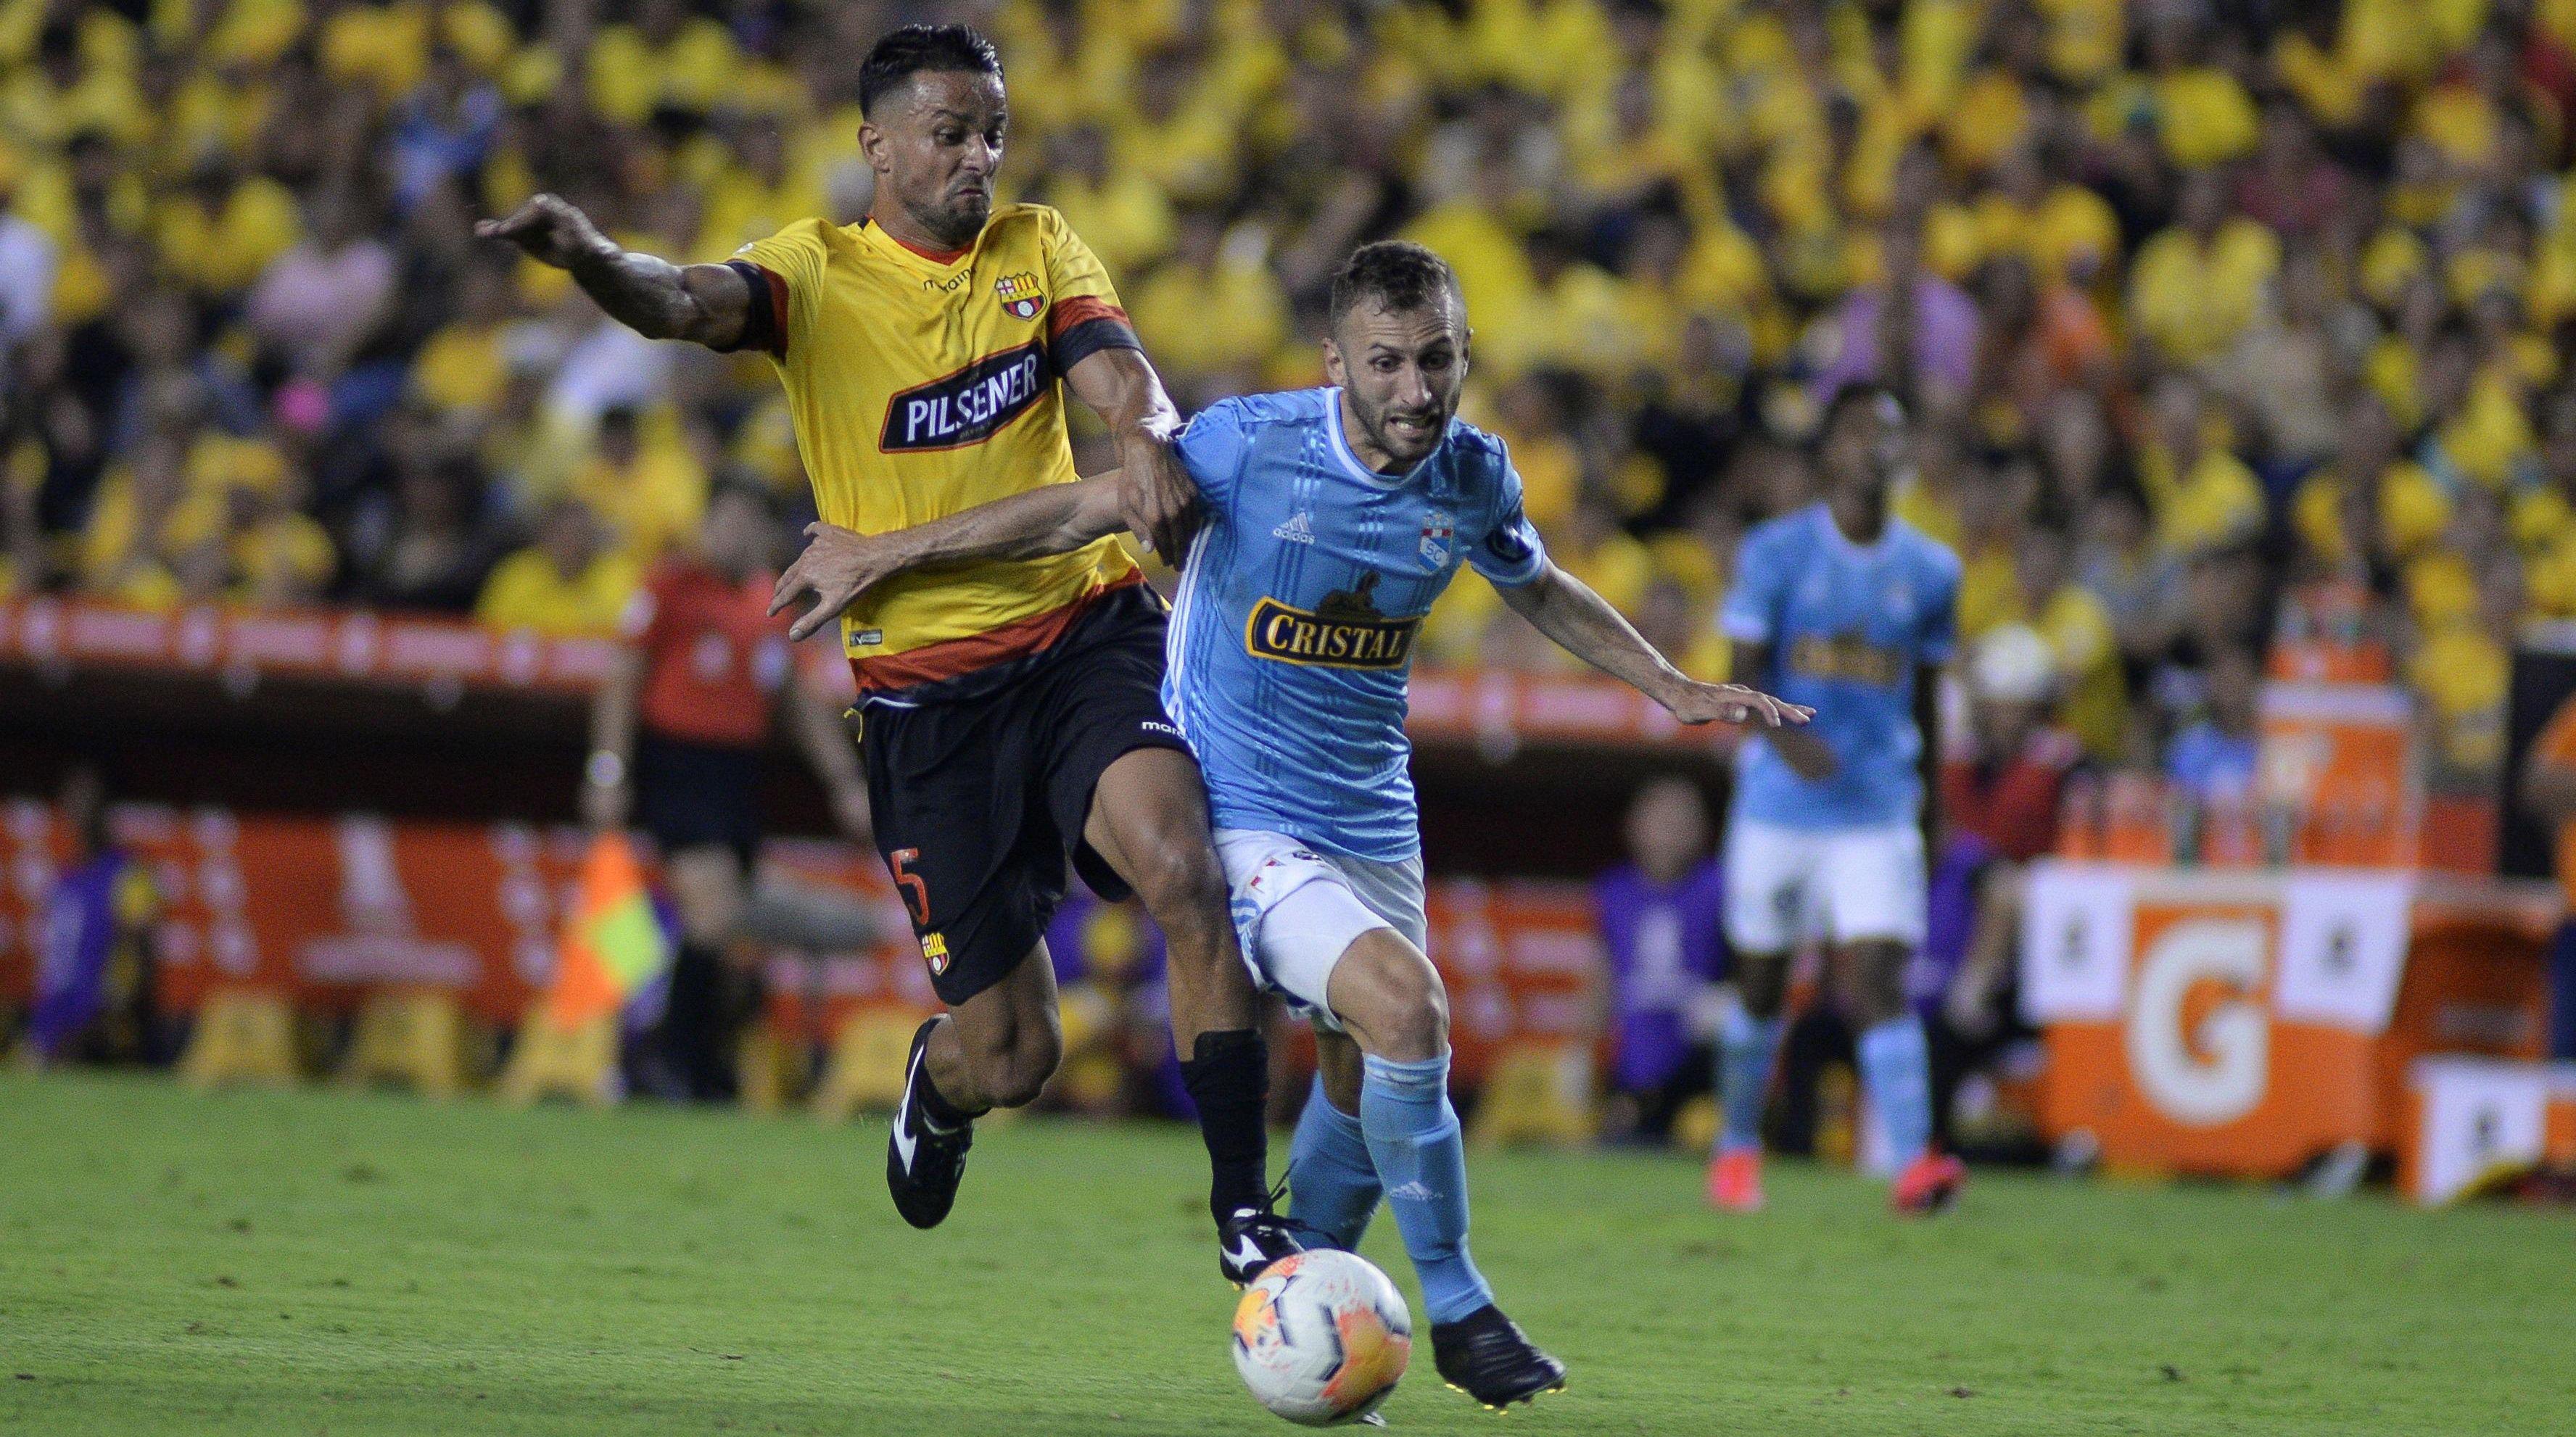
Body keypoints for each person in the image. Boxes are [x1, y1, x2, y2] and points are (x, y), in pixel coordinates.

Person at [767, 240, 1808, 1409]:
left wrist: (1668, 684)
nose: (1416, 389)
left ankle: (1296, 1309)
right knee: (1408, 1009)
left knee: (1369, 1086)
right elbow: (1069, 513)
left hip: (1373, 817)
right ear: (1335, 365)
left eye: (1437, 360)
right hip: (1247, 820)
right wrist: (882, 554)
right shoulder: (1247, 447)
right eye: (1387, 363)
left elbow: (1538, 584)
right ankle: (1459, 1309)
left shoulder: (1469, 474)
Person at [476, 23, 1289, 1280]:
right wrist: (589, 259)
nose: (980, 158)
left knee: (1184, 870)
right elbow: (681, 299)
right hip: (927, 705)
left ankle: (1246, 1220)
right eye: (952, 134)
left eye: (993, 134)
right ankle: (941, 1080)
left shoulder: (1037, 243)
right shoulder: (814, 276)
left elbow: (1122, 376)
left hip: (1081, 635)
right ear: (877, 145)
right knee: (1016, 1057)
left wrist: (1138, 427)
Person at [1711, 383, 1968, 1216]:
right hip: (1781, 805)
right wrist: (1789, 741)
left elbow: (1926, 696)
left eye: (1891, 433)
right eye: (1860, 431)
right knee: (1761, 984)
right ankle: (1739, 1146)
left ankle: (1915, 1162)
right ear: (1828, 450)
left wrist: (1931, 807)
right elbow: (1742, 679)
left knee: (1880, 978)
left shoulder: (1932, 571)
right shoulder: (1776, 553)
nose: (1877, 447)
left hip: (1878, 806)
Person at [584, 481, 871, 1100]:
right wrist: (609, 768)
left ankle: (694, 1058)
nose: (734, 535)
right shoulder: (669, 586)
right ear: (705, 522)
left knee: (721, 923)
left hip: (738, 774)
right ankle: (670, 1059)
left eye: (747, 522)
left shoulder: (770, 602)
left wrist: (845, 783)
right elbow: (623, 678)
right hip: (678, 765)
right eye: (725, 521)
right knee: (712, 915)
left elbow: (799, 703)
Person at [1593, 777, 1727, 1143]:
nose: (1669, 835)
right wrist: (1584, 1046)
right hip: (1634, 1064)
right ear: (1635, 827)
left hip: (1702, 1064)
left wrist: (1726, 1003)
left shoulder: (1721, 888)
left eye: (1681, 824)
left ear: (1703, 831)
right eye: (1660, 822)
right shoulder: (1614, 891)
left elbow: (1750, 971)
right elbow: (1601, 978)